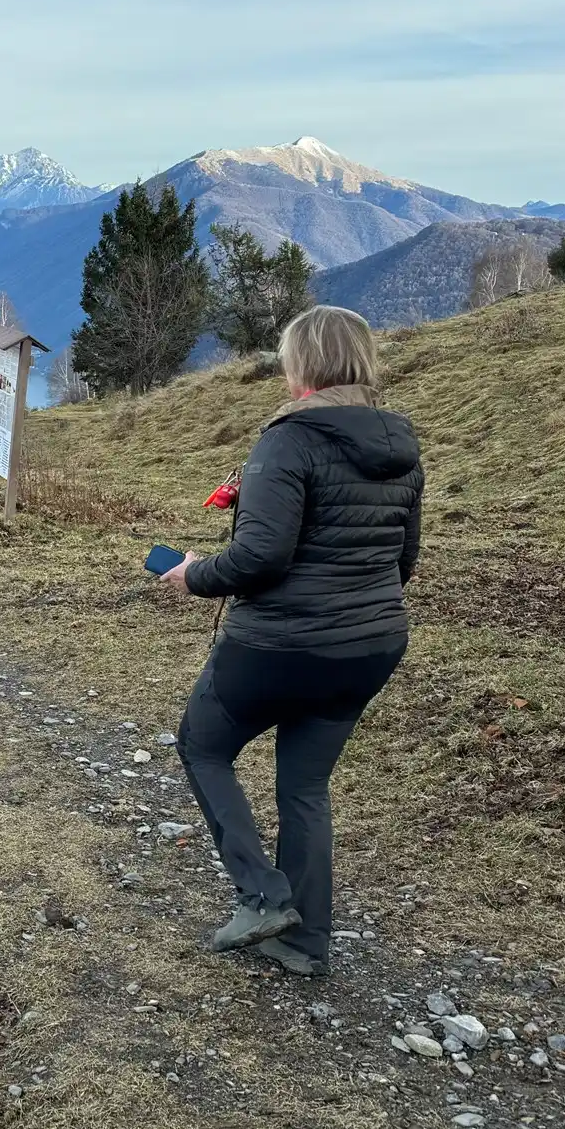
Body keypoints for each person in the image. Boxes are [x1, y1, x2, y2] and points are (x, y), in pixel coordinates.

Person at [159, 305, 422, 978]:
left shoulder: (288, 439)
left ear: (300, 362)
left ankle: (262, 894)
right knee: (305, 787)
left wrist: (194, 574)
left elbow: (260, 559)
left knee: (203, 744)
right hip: (369, 644)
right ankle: (304, 943)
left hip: (282, 644)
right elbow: (403, 563)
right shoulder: (401, 443)